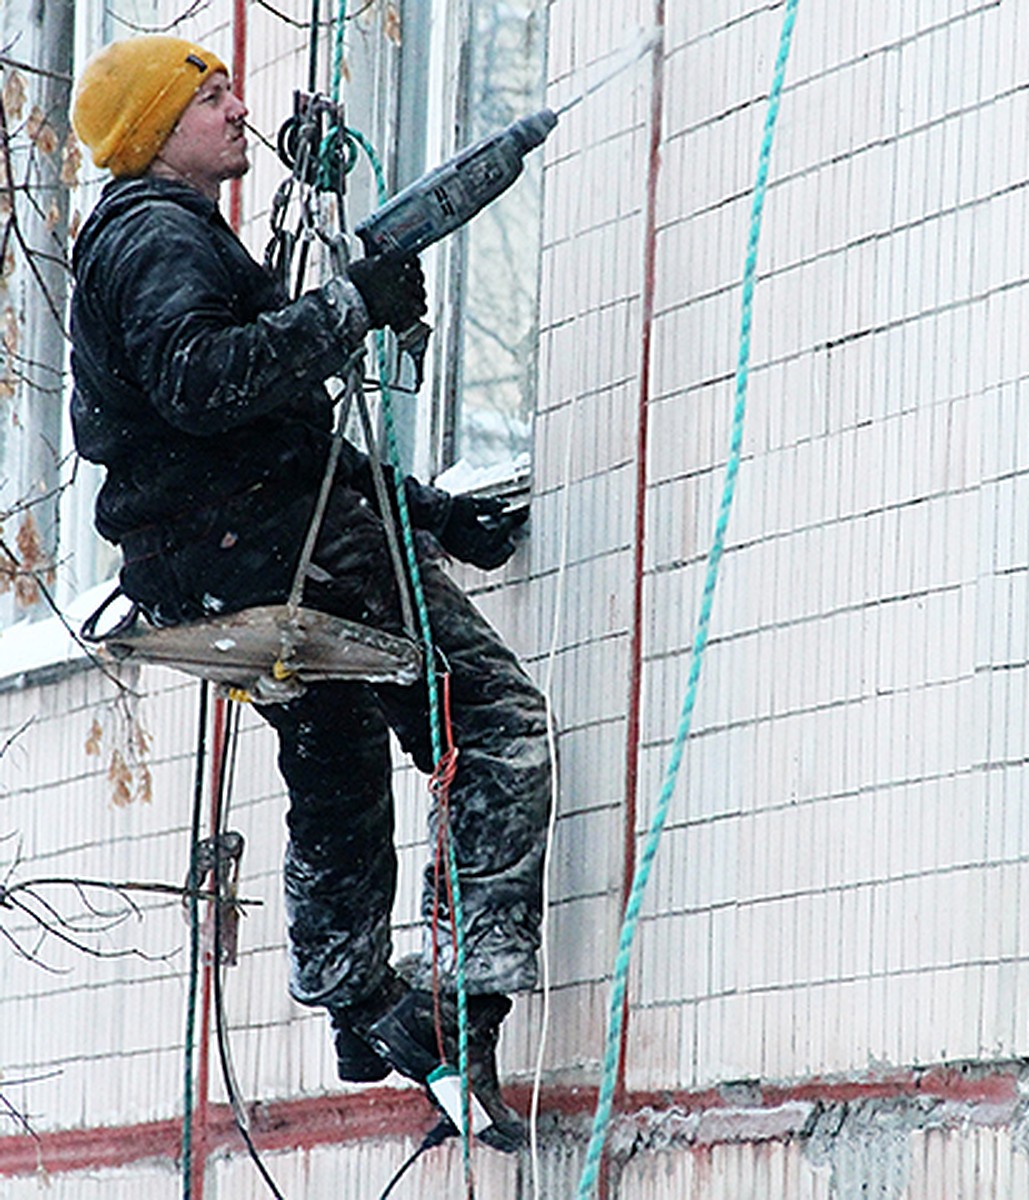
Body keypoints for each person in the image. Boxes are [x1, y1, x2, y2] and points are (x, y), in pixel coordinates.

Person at [68, 35, 550, 1150]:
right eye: (213, 95)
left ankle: (361, 1000)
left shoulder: (144, 241)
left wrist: (430, 512)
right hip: (279, 548)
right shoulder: (157, 237)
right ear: (155, 130)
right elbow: (205, 384)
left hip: (217, 564)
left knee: (331, 752)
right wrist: (351, 309)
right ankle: (467, 1000)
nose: (239, 110)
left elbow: (262, 438)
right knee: (495, 719)